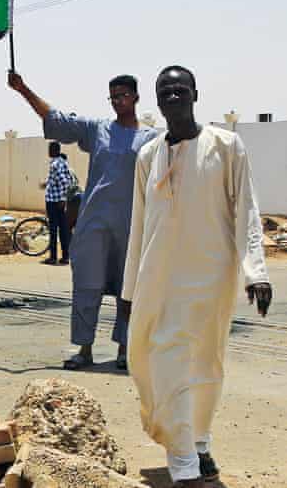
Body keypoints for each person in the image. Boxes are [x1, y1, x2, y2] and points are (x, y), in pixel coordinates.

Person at [122, 66, 272, 487]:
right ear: (157, 99)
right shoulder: (148, 155)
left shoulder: (226, 146)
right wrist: (129, 287)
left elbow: (247, 210)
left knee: (206, 366)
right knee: (158, 359)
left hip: (211, 277)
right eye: (164, 90)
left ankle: (198, 442)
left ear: (194, 94)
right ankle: (184, 457)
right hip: (158, 279)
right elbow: (139, 222)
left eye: (179, 89)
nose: (172, 95)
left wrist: (255, 273)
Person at [8, 71, 158, 371]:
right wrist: (24, 90)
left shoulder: (152, 138)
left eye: (123, 95)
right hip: (94, 223)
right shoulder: (97, 129)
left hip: (132, 224)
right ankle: (84, 348)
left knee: (130, 289)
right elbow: (59, 120)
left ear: (136, 97)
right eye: (113, 96)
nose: (118, 101)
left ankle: (125, 349)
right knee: (86, 284)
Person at [42, 141, 73, 265]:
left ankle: (53, 257)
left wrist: (62, 198)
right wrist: (46, 184)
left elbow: (64, 181)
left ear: (54, 150)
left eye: (50, 149)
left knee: (54, 230)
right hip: (58, 201)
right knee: (63, 230)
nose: (48, 151)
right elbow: (68, 179)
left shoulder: (55, 164)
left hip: (54, 201)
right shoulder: (63, 162)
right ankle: (65, 257)